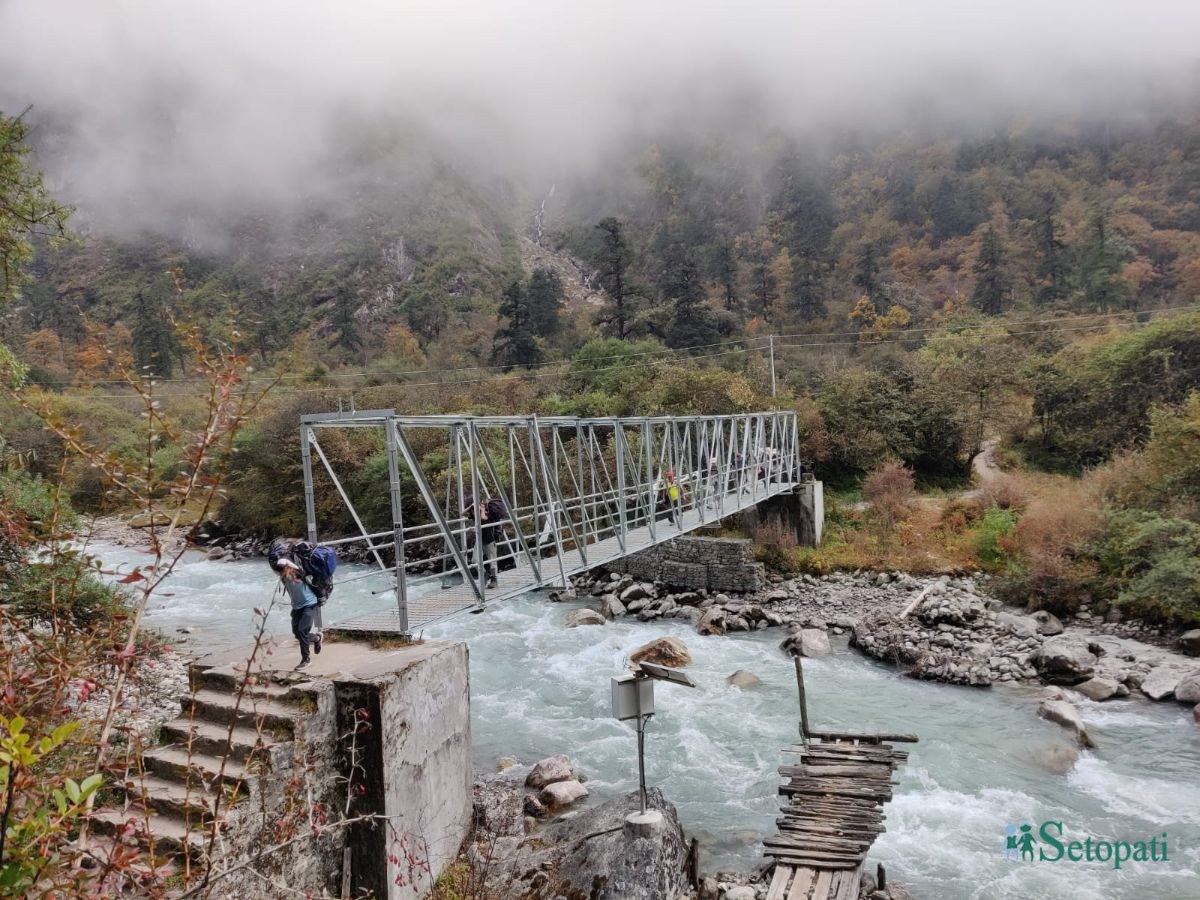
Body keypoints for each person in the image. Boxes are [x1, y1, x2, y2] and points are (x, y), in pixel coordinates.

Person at [277, 558, 321, 669]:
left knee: (302, 630)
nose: (280, 572)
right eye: (279, 570)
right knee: (297, 633)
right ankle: (316, 638)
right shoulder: (283, 578)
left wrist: (286, 563)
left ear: (288, 567)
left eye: (282, 569)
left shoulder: (299, 573)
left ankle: (306, 659)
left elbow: (298, 569)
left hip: (309, 604)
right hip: (296, 607)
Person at [463, 494, 501, 589]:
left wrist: (482, 509)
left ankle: (494, 580)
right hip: (479, 540)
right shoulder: (473, 512)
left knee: (492, 561)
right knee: (474, 560)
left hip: (489, 539)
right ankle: (485, 574)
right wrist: (471, 506)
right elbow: (462, 513)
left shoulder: (488, 511)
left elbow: (484, 518)